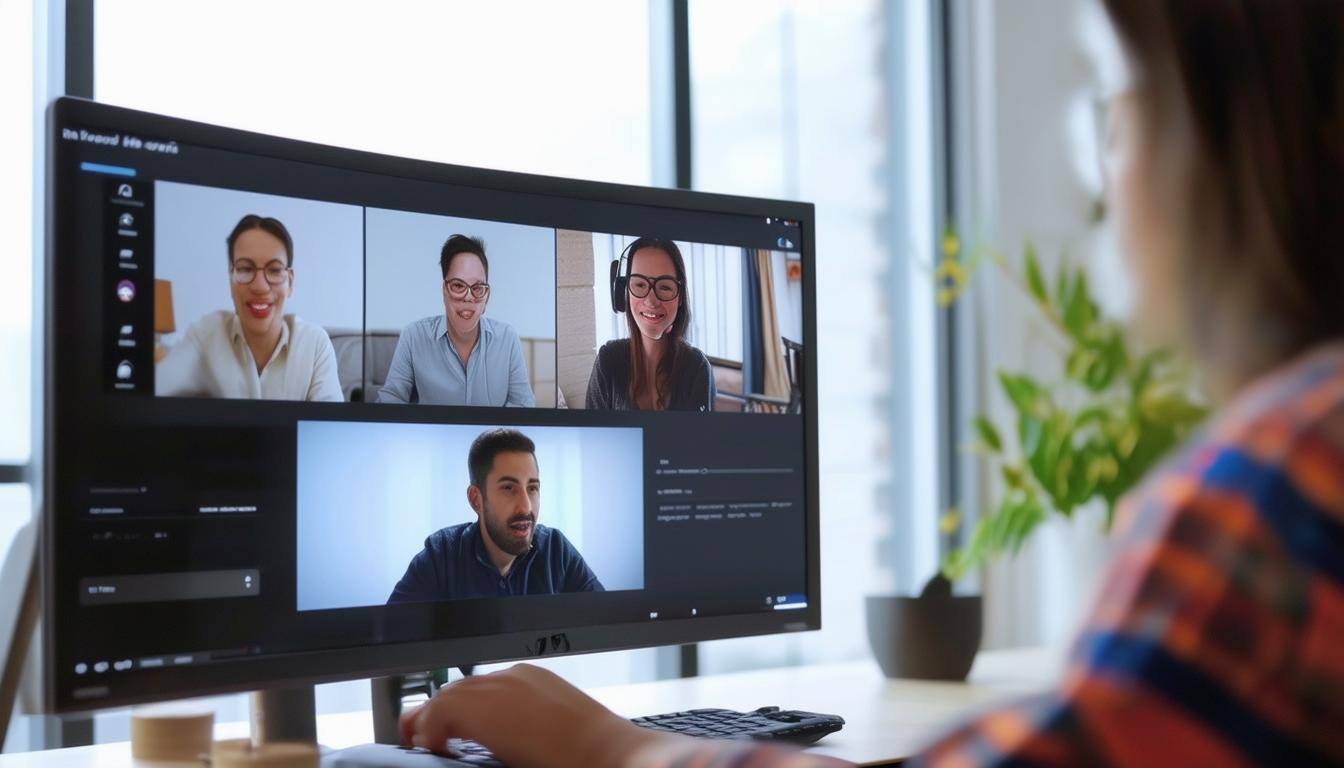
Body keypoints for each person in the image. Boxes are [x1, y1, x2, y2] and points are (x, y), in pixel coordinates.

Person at [399, 2, 1344, 766]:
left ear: (1221, 142)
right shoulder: (593, 378)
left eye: (1117, 103)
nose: (1104, 176)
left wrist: (604, 742)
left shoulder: (1288, 483)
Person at [388, 428, 602, 603]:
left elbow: (607, 623)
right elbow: (390, 639)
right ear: (475, 499)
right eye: (509, 488)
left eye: (533, 488)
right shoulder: (441, 556)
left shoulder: (557, 550)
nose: (526, 507)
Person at [156, 214, 342, 402]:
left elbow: (332, 427)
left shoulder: (315, 345)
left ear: (290, 283)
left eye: (275, 270)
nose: (260, 286)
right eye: (245, 269)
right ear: (231, 279)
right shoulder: (205, 335)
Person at [378, 235, 535, 407]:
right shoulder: (414, 336)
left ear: (486, 298)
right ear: (444, 290)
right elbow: (390, 402)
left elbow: (524, 406)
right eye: (458, 286)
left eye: (477, 288)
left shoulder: (507, 338)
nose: (468, 297)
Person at [585, 237, 715, 412]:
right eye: (639, 284)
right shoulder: (608, 361)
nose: (651, 301)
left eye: (665, 287)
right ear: (623, 292)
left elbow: (700, 438)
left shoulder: (697, 367)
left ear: (680, 297)